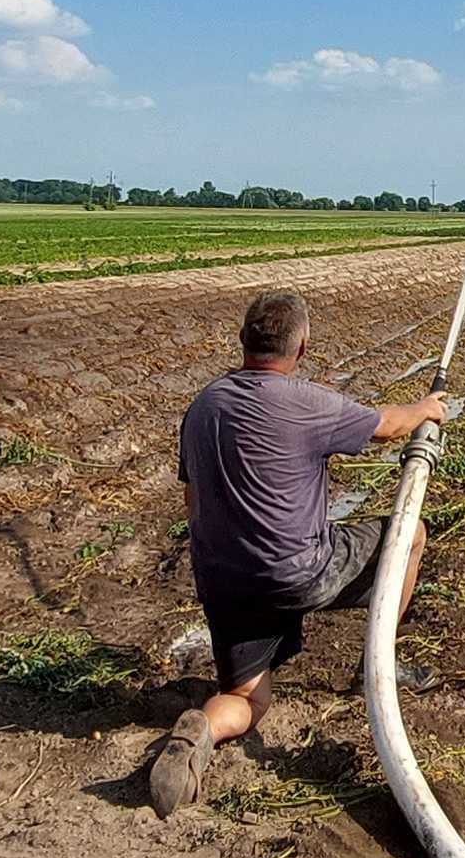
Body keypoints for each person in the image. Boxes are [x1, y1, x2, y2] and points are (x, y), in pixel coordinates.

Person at [149, 287, 449, 818]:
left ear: (242, 340)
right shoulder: (305, 403)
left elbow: (193, 501)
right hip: (298, 573)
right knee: (413, 533)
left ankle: (203, 730)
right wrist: (426, 409)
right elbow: (387, 426)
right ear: (303, 348)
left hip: (223, 583)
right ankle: (377, 663)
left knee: (247, 699)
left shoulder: (202, 407)